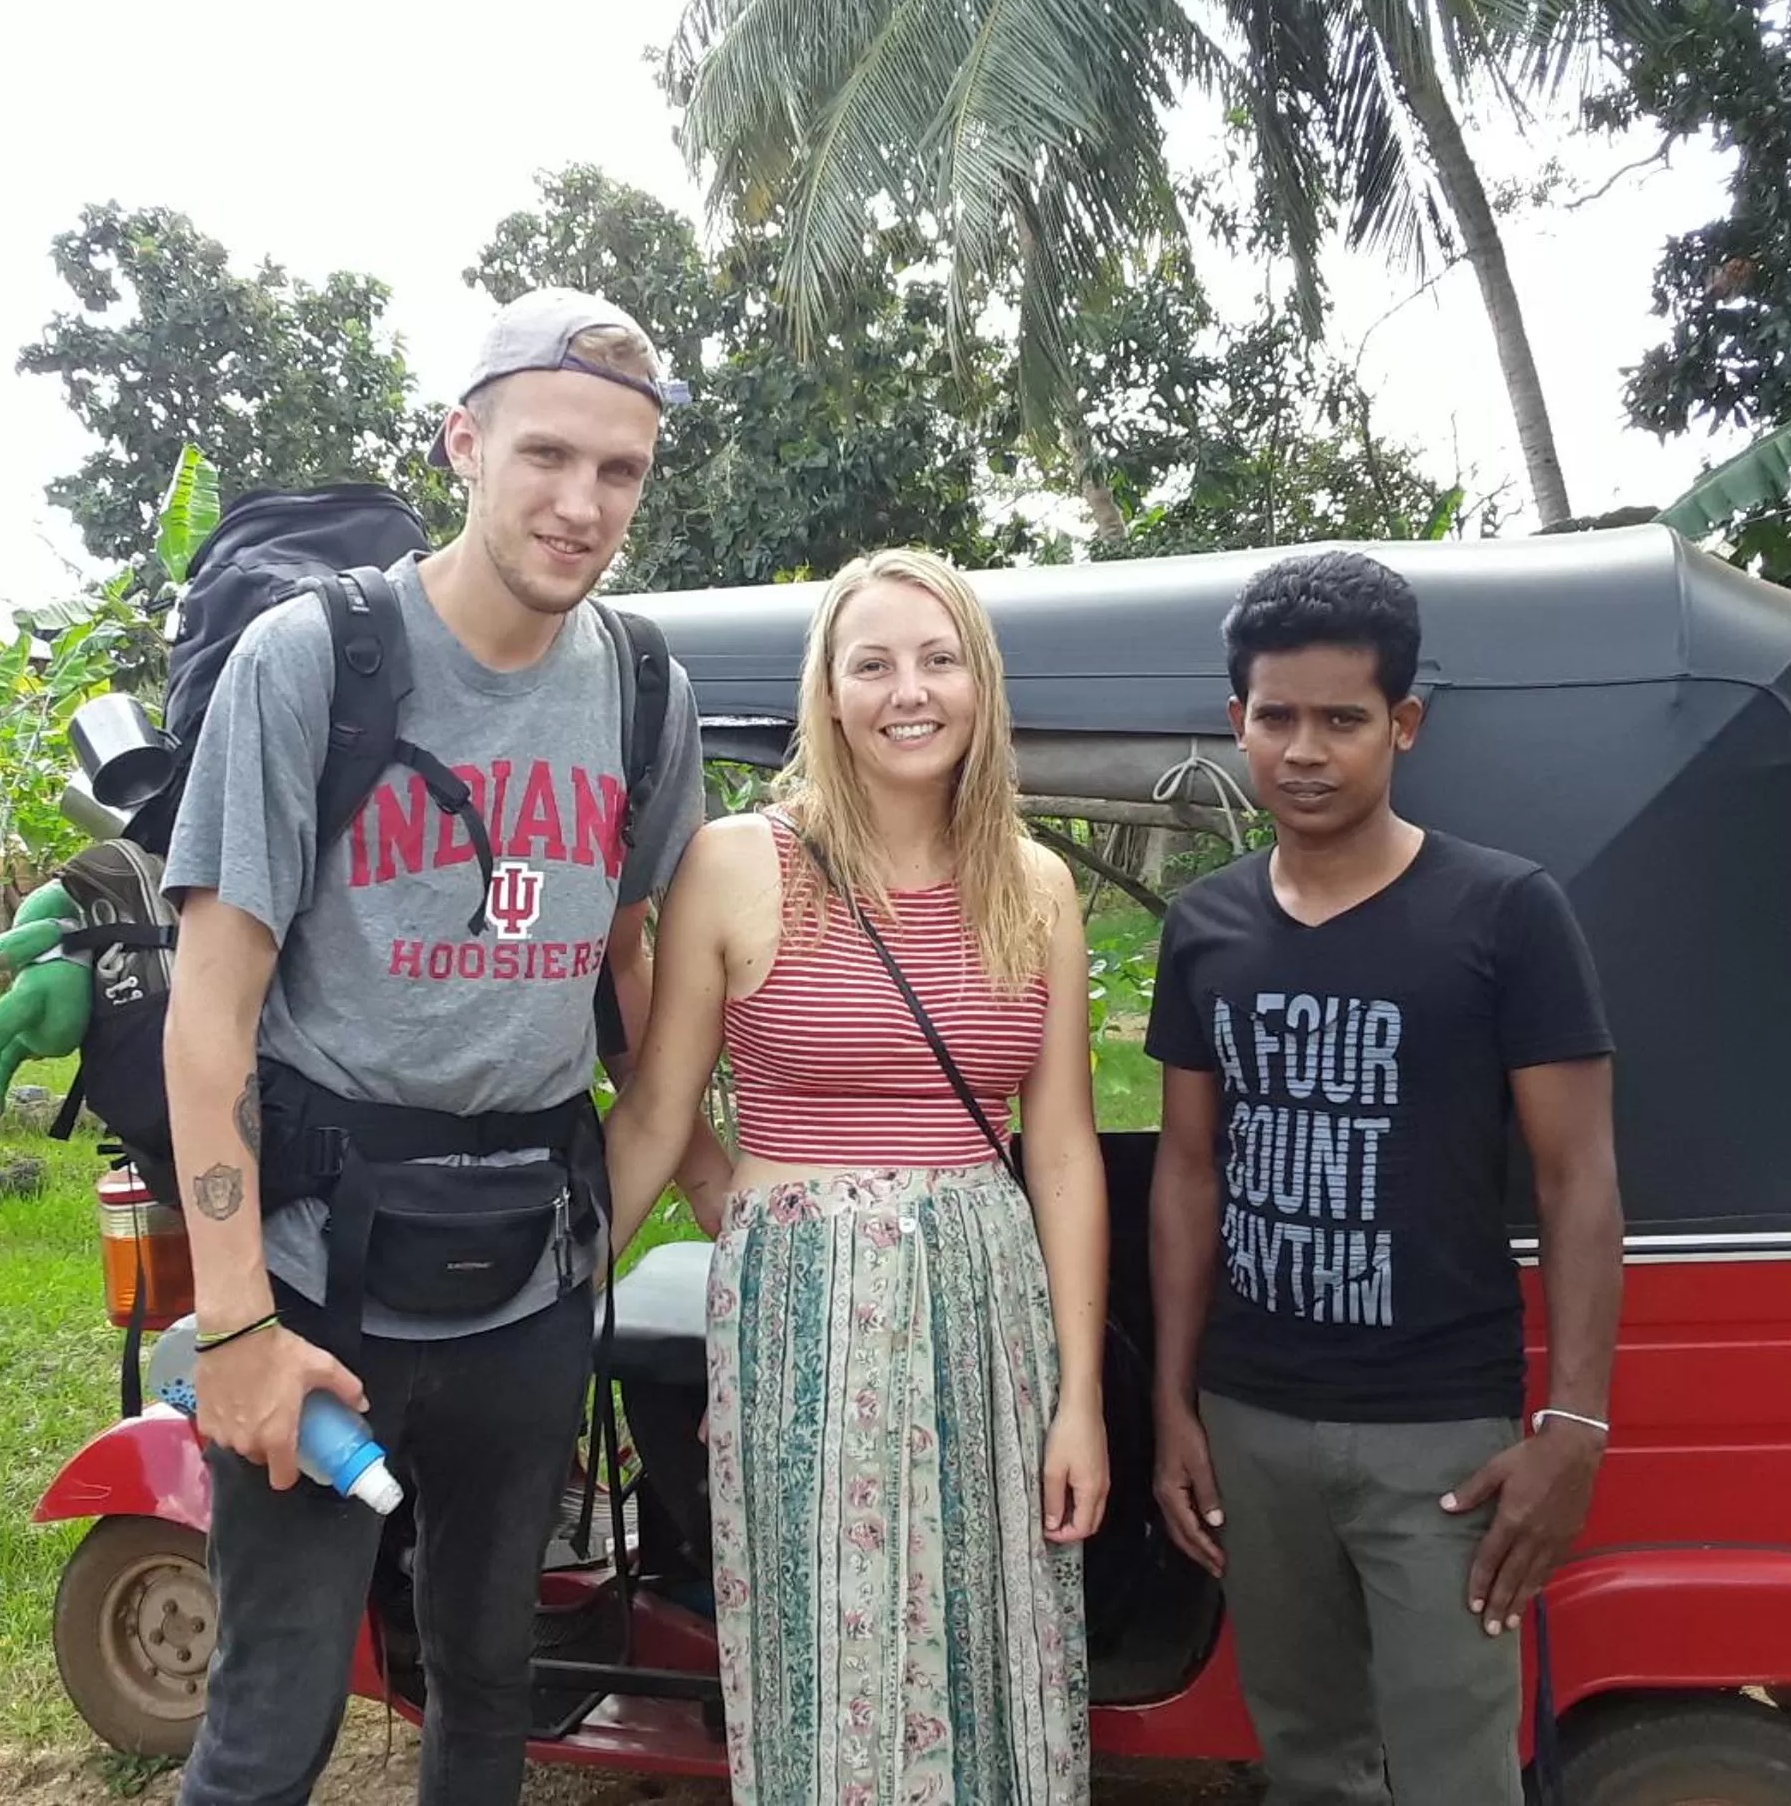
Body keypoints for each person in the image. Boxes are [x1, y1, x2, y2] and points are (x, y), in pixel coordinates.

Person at [159, 287, 720, 1806]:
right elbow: (210, 1012)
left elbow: (637, 963)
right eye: (546, 456)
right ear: (464, 443)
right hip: (319, 1274)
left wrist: (736, 1199)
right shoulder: (312, 661)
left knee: (492, 1684)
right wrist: (231, 1330)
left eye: (620, 472)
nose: (580, 502)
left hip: (530, 1280)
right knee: (274, 1714)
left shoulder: (643, 687)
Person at [606, 547, 1110, 1805]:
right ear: (826, 692)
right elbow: (659, 1112)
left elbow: (1057, 1147)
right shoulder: (735, 862)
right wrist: (543, 1308)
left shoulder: (1035, 886)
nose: (908, 691)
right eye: (872, 662)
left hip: (988, 1304)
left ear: (978, 684)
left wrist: (1080, 1398)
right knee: (824, 1636)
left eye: (938, 660)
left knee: (994, 1633)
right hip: (803, 1315)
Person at [1145, 550, 1624, 1804]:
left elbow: (1577, 1181)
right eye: (1276, 717)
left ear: (1401, 725)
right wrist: (1173, 1410)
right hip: (1250, 1420)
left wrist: (1571, 1428)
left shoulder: (1505, 914)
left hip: (1441, 1438)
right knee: (1304, 1755)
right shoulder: (1205, 928)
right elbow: (1188, 1176)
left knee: (1457, 1769)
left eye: (1342, 719)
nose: (1305, 750)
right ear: (1235, 720)